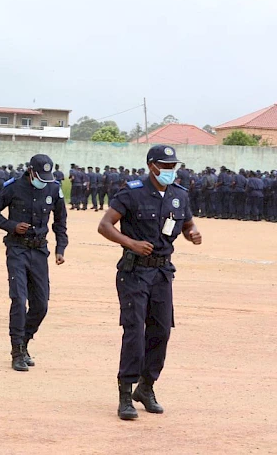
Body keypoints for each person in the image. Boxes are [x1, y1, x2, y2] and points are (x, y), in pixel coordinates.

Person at [97, 144, 201, 420]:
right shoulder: (131, 192)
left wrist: (193, 232)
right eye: (165, 166)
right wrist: (130, 243)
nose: (169, 171)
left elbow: (188, 224)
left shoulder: (179, 195)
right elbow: (105, 225)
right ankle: (124, 393)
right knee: (134, 331)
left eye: (173, 166)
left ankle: (146, 387)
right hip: (134, 273)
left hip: (163, 274)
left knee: (161, 330)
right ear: (151, 165)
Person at [0, 154, 67, 371]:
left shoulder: (53, 188)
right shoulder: (13, 187)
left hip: (40, 250)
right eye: (39, 176)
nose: (43, 180)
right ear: (30, 171)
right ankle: (16, 351)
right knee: (19, 299)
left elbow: (60, 221)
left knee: (41, 304)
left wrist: (61, 248)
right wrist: (11, 225)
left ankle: (25, 341)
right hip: (17, 248)